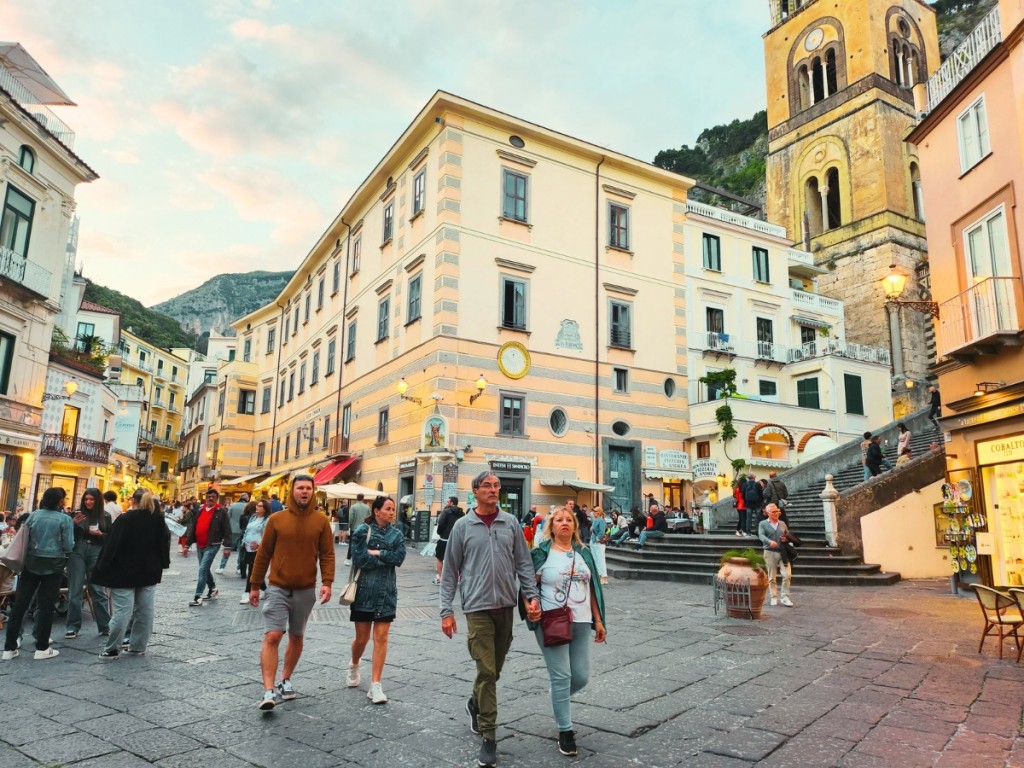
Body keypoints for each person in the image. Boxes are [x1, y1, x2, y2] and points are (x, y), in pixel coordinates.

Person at [439, 471, 541, 768]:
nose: (494, 490)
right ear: (475, 491)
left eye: (497, 486)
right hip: (477, 608)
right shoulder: (462, 525)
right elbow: (449, 572)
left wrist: (531, 596)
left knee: (493, 671)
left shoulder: (510, 523)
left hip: (506, 606)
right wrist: (446, 611)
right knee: (486, 671)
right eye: (487, 486)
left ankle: (475, 703)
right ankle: (489, 735)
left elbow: (523, 563)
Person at [249, 475, 335, 711]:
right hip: (277, 586)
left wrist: (327, 581)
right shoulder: (277, 520)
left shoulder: (321, 521)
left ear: (313, 491)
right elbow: (263, 554)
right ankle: (268, 690)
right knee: (273, 636)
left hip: (306, 589)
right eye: (300, 488)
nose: (304, 491)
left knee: (296, 636)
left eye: (308, 488)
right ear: (292, 491)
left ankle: (285, 680)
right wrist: (255, 585)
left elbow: (327, 553)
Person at [526, 505, 606, 757]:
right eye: (559, 520)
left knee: (580, 677)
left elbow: (593, 587)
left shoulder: (584, 552)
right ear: (551, 526)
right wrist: (531, 605)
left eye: (568, 520)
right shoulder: (541, 553)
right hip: (551, 620)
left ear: (575, 525)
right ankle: (565, 730)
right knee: (561, 676)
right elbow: (528, 586)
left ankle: (557, 697)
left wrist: (598, 619)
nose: (564, 523)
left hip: (582, 620)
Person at [93, 490, 171, 659]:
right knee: (145, 611)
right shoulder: (158, 520)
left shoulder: (125, 520)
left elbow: (111, 546)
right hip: (149, 572)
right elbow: (164, 544)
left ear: (133, 501)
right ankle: (138, 646)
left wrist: (102, 569)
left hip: (123, 573)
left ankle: (112, 648)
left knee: (122, 612)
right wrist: (163, 564)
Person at [2, 487, 73, 661]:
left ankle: (9, 648)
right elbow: (68, 546)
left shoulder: (33, 516)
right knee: (46, 606)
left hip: (31, 563)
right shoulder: (64, 519)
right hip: (54, 564)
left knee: (20, 604)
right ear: (60, 501)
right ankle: (42, 647)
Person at [348, 495, 406, 704]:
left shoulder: (397, 534)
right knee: (362, 639)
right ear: (377, 511)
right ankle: (354, 663)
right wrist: (385, 555)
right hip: (364, 592)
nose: (392, 512)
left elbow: (399, 558)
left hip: (387, 593)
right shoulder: (363, 531)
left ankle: (375, 685)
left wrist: (376, 552)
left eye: (393, 509)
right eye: (388, 508)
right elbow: (360, 559)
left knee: (381, 638)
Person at [64, 488, 113, 640]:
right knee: (75, 589)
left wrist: (101, 535)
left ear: (97, 500)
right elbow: (66, 534)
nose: (88, 502)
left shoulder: (105, 516)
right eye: (86, 499)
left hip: (96, 550)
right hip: (78, 549)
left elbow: (110, 537)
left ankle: (105, 626)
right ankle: (73, 626)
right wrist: (72, 523)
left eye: (91, 499)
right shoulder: (77, 514)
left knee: (97, 589)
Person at [185, 489, 232, 606]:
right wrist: (187, 544)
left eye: (213, 497)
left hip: (213, 545)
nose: (210, 498)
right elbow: (194, 528)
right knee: (204, 568)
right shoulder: (200, 510)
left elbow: (227, 530)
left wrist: (227, 546)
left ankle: (198, 596)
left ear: (217, 498)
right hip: (200, 545)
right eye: (208, 496)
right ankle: (212, 588)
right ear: (205, 498)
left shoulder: (221, 511)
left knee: (202, 569)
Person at [758, 503, 793, 607]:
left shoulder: (782, 523)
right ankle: (774, 597)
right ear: (768, 513)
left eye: (777, 511)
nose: (776, 513)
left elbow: (788, 534)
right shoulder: (763, 524)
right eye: (773, 512)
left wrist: (787, 539)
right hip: (770, 552)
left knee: (787, 575)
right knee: (772, 576)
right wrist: (769, 541)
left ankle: (785, 597)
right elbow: (761, 535)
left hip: (783, 552)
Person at [239, 499, 267, 604]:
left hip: (258, 549)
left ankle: (247, 592)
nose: (257, 507)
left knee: (252, 570)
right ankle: (266, 590)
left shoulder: (267, 520)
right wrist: (243, 542)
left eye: (260, 506)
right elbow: (247, 531)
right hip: (248, 548)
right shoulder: (253, 518)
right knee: (254, 570)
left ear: (265, 509)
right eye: (257, 506)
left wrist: (260, 545)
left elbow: (267, 535)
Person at [433, 496, 464, 585]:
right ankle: (456, 577)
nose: (446, 503)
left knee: (440, 558)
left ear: (451, 503)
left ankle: (441, 577)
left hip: (444, 539)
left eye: (448, 501)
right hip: (457, 539)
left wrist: (439, 532)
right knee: (456, 559)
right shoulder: (462, 513)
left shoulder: (446, 512)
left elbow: (441, 523)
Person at [218, 493, 249, 574]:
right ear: (246, 498)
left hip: (232, 530)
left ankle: (221, 567)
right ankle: (239, 568)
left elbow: (228, 517)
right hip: (242, 531)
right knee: (240, 551)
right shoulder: (247, 506)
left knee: (228, 548)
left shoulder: (233, 505)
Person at [346, 493, 370, 567]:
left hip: (354, 528)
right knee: (364, 544)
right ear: (363, 498)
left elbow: (351, 518)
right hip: (365, 528)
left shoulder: (353, 507)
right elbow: (369, 516)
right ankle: (363, 558)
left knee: (352, 544)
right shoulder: (367, 507)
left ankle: (348, 559)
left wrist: (349, 526)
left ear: (357, 498)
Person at [588, 505, 608, 586]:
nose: (593, 512)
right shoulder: (595, 520)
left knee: (600, 559)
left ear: (599, 512)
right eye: (593, 511)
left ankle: (603, 577)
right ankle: (598, 575)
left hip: (598, 543)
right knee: (595, 559)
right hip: (593, 542)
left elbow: (602, 532)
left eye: (595, 511)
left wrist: (597, 539)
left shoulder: (601, 520)